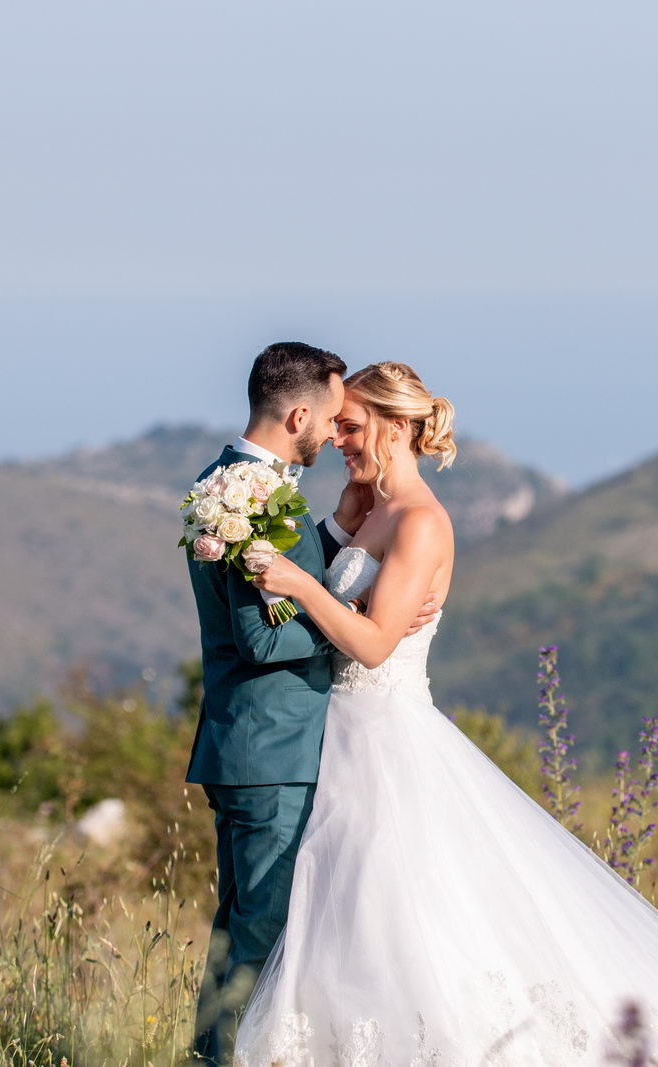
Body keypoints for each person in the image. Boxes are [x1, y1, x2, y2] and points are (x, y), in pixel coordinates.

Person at [238, 361, 658, 1067]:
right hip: (337, 739)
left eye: (351, 425)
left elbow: (374, 645)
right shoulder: (369, 507)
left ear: (398, 426)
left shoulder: (422, 523)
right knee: (346, 922)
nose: (339, 438)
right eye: (337, 425)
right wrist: (334, 542)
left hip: (386, 740)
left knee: (398, 917)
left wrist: (296, 584)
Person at [184, 343, 438, 1064]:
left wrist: (329, 539)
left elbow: (283, 586)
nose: (334, 433)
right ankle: (218, 1058)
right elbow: (262, 642)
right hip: (271, 746)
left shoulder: (227, 482)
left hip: (252, 741)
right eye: (331, 418)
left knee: (242, 927)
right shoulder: (251, 496)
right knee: (260, 928)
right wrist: (356, 609)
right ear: (299, 413)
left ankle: (214, 1053)